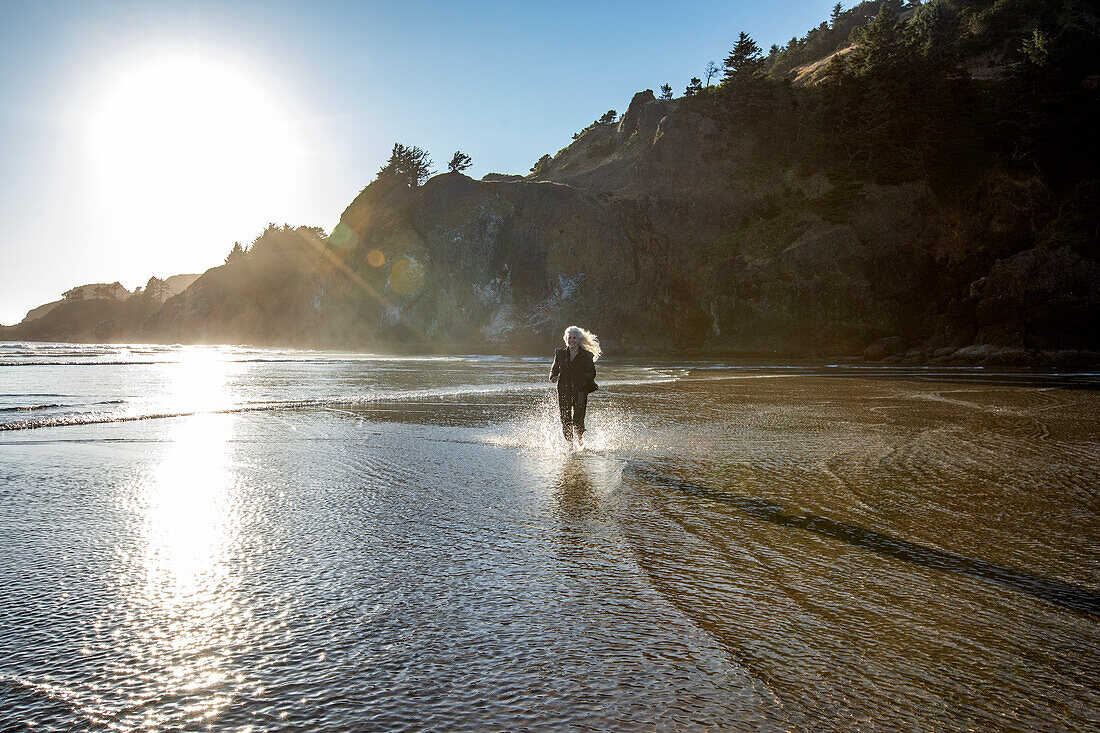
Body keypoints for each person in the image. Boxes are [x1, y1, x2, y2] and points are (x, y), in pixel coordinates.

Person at [549, 325, 600, 446]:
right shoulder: (560, 353)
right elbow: (554, 368)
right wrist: (552, 376)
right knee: (565, 418)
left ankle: (580, 439)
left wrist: (582, 381)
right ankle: (570, 444)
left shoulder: (587, 356)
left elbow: (592, 372)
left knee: (578, 417)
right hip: (563, 389)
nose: (572, 340)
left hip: (580, 391)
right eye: (569, 338)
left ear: (579, 340)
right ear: (566, 339)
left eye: (574, 338)